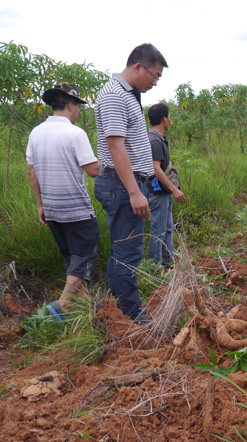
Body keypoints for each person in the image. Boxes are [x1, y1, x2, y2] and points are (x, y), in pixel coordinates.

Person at [94, 43, 168, 323]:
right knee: (129, 252)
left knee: (121, 250)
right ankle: (131, 314)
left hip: (122, 183)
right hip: (122, 185)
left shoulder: (127, 95)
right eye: (155, 75)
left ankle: (114, 309)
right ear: (139, 67)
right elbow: (116, 147)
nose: (155, 81)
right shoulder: (115, 96)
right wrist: (135, 192)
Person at [26, 82, 101, 320]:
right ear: (71, 104)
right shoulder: (75, 133)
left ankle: (84, 313)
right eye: (78, 106)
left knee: (72, 260)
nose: (79, 111)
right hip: (77, 211)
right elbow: (92, 170)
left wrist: (41, 205)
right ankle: (61, 306)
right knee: (84, 257)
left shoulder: (36, 133)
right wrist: (113, 162)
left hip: (53, 210)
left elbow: (32, 172)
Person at [147, 103, 186, 266]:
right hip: (158, 194)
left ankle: (169, 264)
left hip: (163, 193)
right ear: (164, 119)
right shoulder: (154, 141)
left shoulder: (157, 138)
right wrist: (174, 189)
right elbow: (155, 168)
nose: (171, 120)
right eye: (169, 117)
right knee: (159, 233)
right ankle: (155, 269)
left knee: (168, 229)